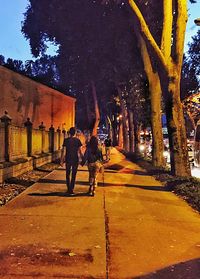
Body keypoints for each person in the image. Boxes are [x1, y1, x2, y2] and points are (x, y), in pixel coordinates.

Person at [60, 127, 83, 195]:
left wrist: (61, 160)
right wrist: (83, 159)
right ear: (75, 133)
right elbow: (80, 151)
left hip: (68, 159)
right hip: (75, 159)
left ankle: (68, 188)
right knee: (73, 175)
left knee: (67, 174)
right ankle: (72, 189)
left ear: (69, 133)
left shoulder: (66, 140)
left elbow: (63, 151)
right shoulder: (77, 140)